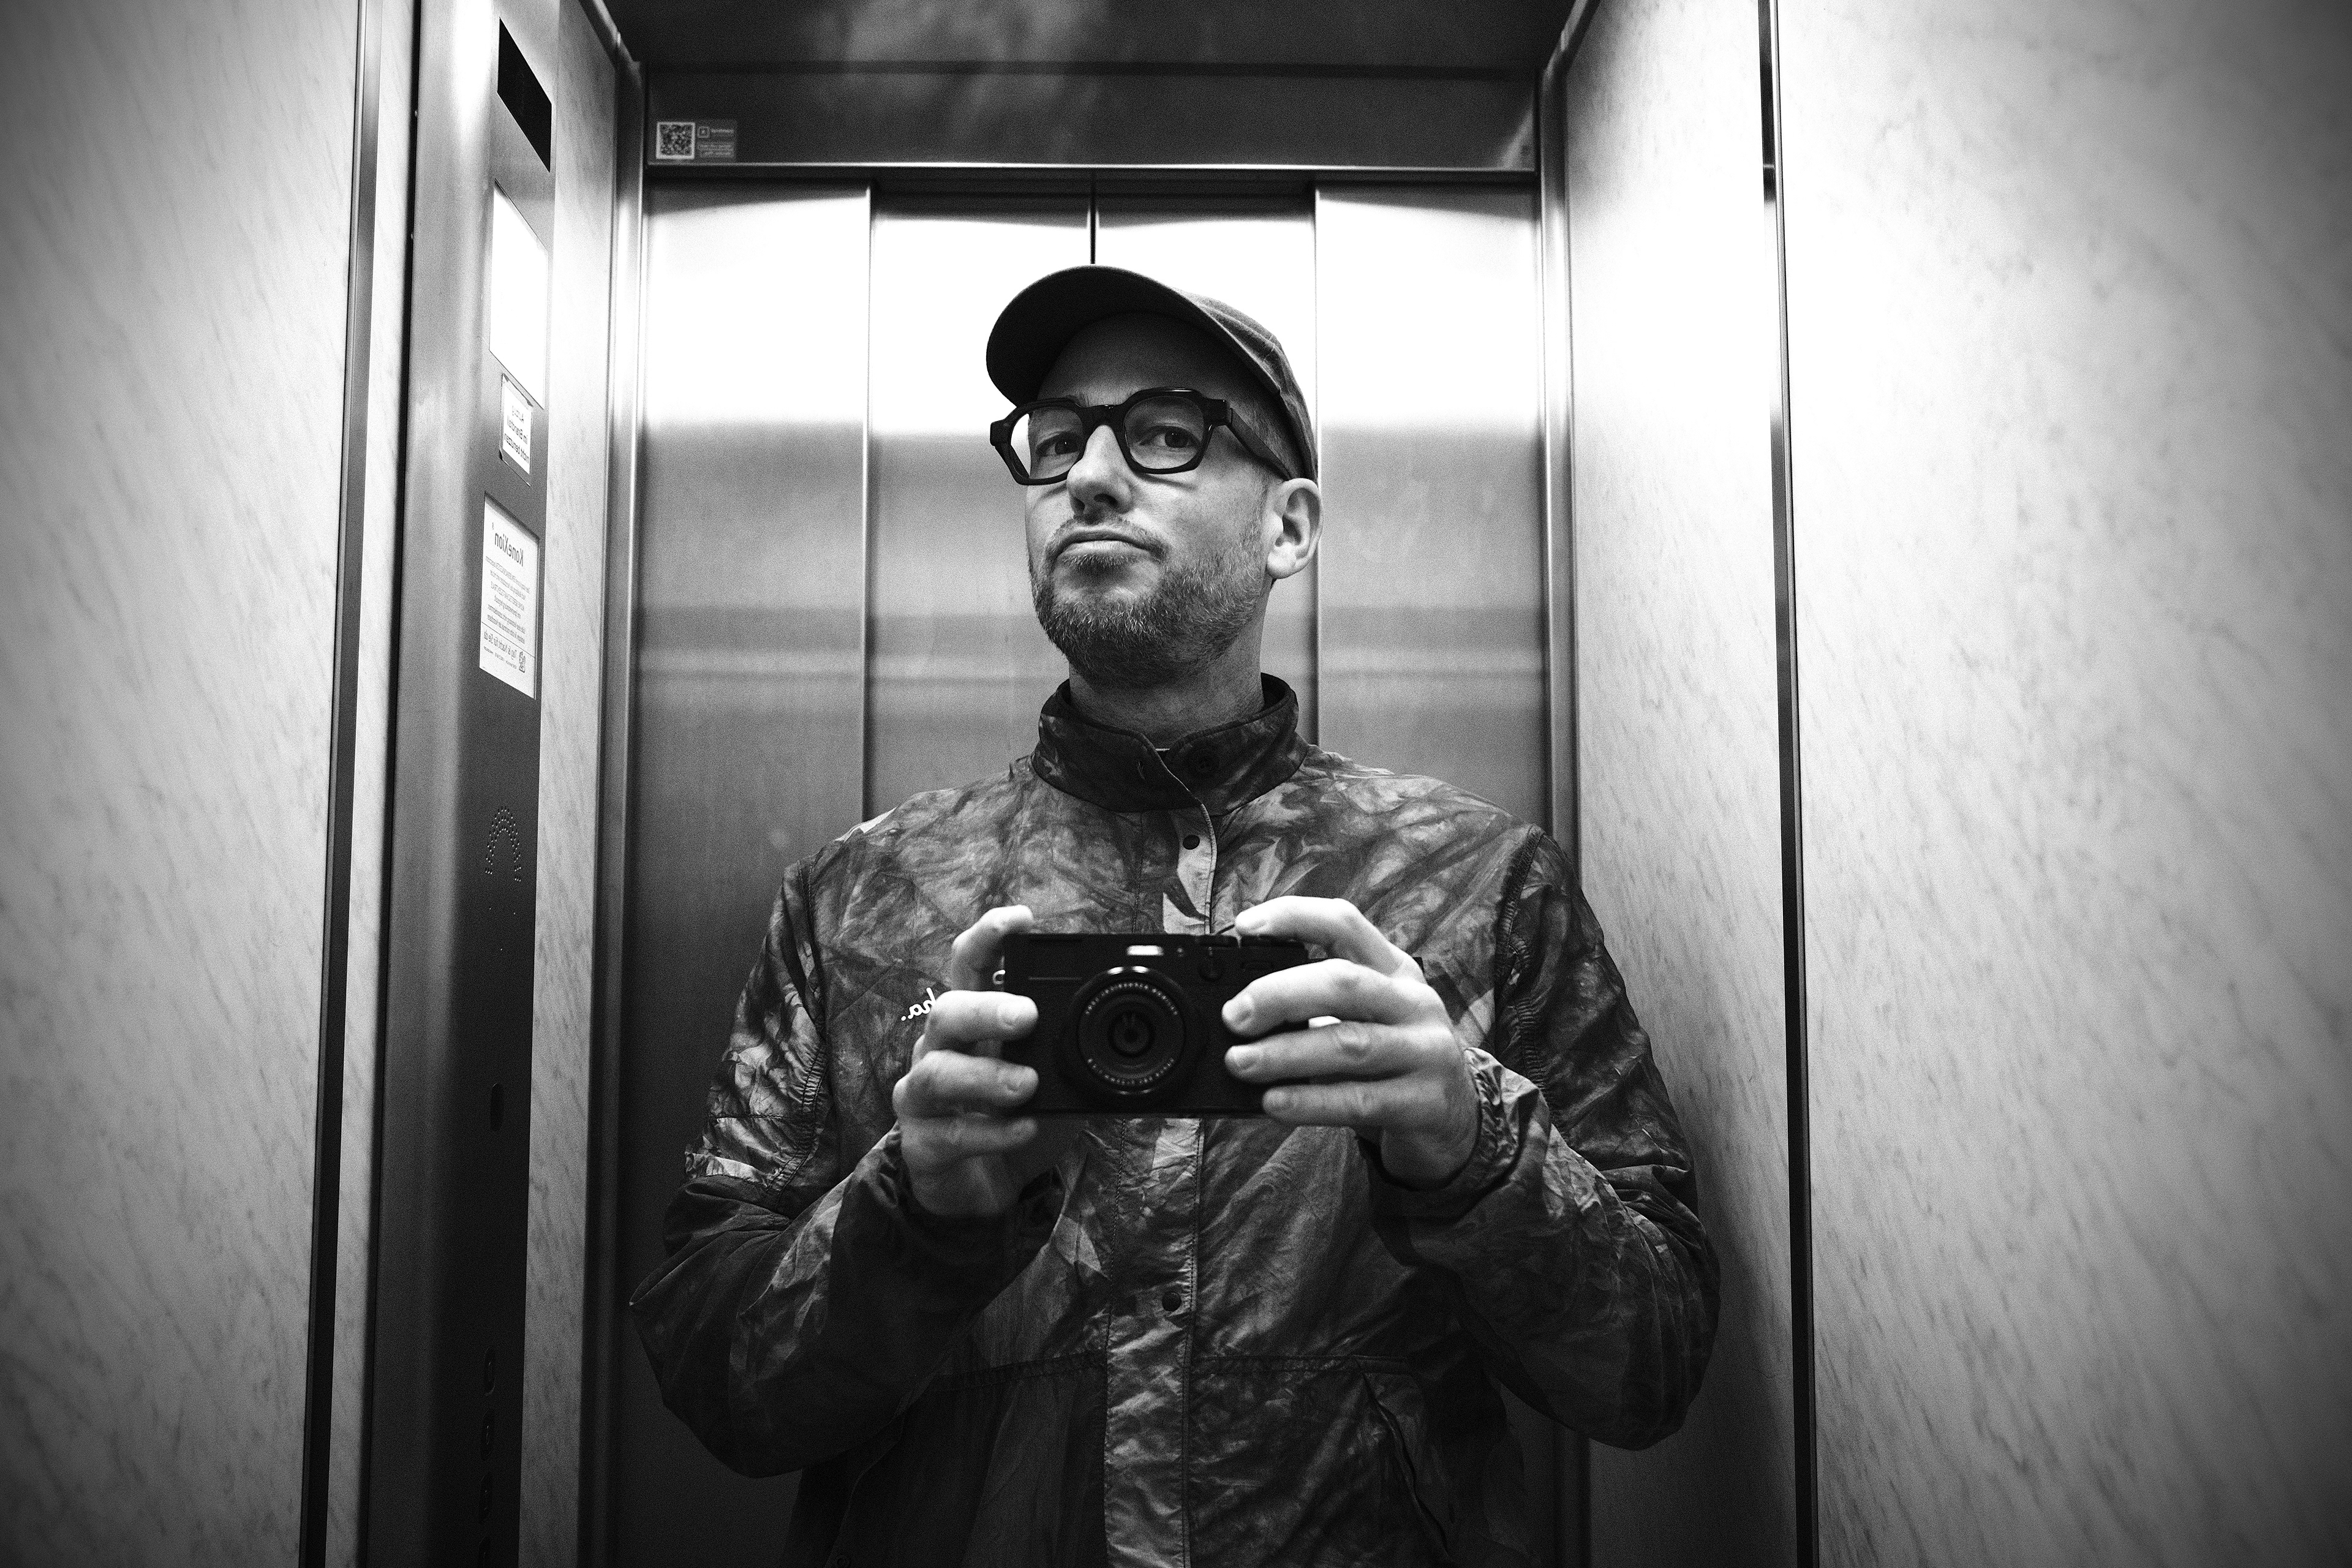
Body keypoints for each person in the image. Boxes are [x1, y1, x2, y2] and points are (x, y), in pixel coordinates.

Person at [631, 266, 1717, 1567]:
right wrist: (911, 1214)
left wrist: (1471, 1143)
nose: (1088, 477)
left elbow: (1653, 1365)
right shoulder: (859, 897)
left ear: (1290, 527)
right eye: (1053, 440)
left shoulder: (1483, 885)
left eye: (1162, 433)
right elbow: (713, 1376)